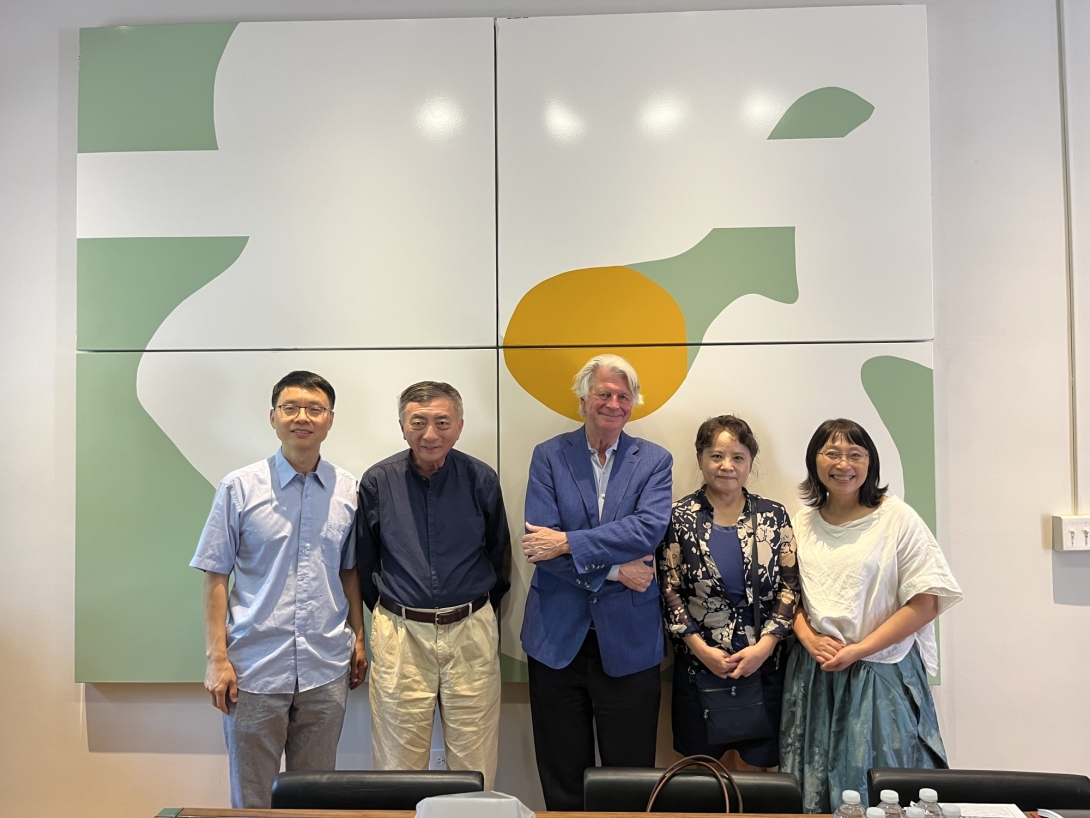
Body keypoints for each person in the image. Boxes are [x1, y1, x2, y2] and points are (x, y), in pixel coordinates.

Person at [191, 370, 366, 809]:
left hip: (325, 666)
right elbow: (215, 575)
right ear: (273, 417)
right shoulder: (239, 487)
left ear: (329, 419)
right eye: (290, 408)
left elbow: (349, 572)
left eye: (314, 409)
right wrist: (217, 659)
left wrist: (359, 637)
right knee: (253, 800)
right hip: (252, 669)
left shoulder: (349, 490)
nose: (302, 417)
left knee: (314, 798)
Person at [780, 418, 963, 812]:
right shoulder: (801, 522)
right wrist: (810, 639)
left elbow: (926, 602)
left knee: (879, 785)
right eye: (831, 452)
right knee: (813, 786)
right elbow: (787, 595)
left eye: (854, 454)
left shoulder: (897, 518)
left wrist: (859, 649)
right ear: (814, 461)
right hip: (816, 674)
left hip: (879, 673)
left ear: (870, 462)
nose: (842, 463)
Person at [520, 353, 673, 811]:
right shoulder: (548, 455)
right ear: (584, 399)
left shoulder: (655, 460)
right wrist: (614, 568)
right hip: (555, 640)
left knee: (629, 776)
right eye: (604, 393)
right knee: (562, 773)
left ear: (634, 404)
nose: (613, 403)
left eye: (623, 396)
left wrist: (567, 542)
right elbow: (536, 545)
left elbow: (647, 529)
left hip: (629, 640)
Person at [356, 381, 509, 790]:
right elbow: (366, 562)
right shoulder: (378, 481)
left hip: (470, 628)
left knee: (473, 759)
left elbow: (499, 555)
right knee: (396, 761)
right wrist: (397, 609)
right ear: (403, 427)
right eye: (418, 422)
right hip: (400, 631)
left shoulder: (481, 479)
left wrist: (474, 606)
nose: (430, 434)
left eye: (442, 422)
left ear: (459, 426)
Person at [658, 415, 799, 770]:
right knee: (705, 781)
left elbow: (789, 586)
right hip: (698, 668)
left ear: (750, 461)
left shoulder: (772, 516)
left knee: (757, 779)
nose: (727, 466)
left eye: (738, 457)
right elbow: (669, 590)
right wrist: (701, 650)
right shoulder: (679, 519)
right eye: (717, 456)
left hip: (763, 665)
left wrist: (764, 647)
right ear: (701, 459)